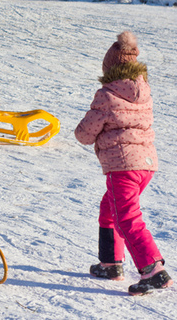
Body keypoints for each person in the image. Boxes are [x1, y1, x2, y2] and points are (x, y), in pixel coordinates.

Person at [75, 31, 173, 295]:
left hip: (123, 166)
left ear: (110, 68)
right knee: (111, 207)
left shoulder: (106, 95)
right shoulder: (144, 92)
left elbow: (85, 133)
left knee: (127, 216)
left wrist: (82, 131)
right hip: (146, 164)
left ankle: (153, 270)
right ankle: (111, 262)